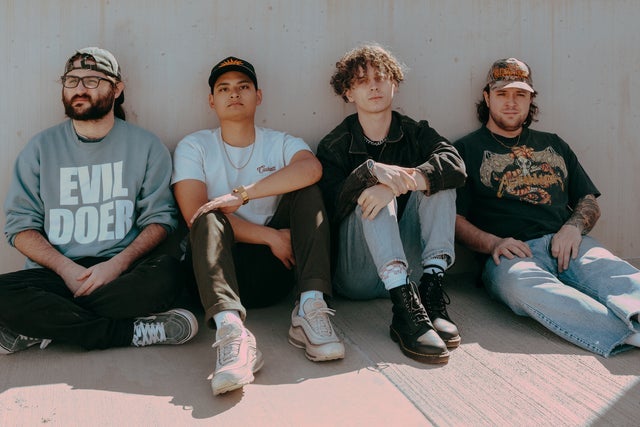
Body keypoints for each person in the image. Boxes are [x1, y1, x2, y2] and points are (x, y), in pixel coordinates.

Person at [0, 47, 198, 355]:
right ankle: (128, 332)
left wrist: (116, 265)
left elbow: (160, 220)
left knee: (170, 274)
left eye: (92, 80)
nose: (79, 88)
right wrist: (66, 270)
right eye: (71, 80)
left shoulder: (146, 146)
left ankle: (44, 325)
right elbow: (19, 228)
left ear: (117, 89)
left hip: (122, 273)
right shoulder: (40, 148)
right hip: (56, 274)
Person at [172, 56, 344, 396]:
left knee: (307, 190)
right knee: (207, 215)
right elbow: (194, 213)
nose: (234, 94)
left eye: (243, 87)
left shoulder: (280, 142)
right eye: (224, 89)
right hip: (215, 274)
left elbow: (311, 169)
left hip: (275, 271)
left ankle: (310, 308)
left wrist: (243, 195)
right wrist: (270, 236)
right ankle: (232, 334)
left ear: (258, 96)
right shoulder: (194, 146)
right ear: (212, 101)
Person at [454, 57, 640, 357]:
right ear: (487, 98)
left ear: (531, 100)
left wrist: (573, 228)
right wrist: (494, 244)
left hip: (569, 243)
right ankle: (628, 335)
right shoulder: (465, 150)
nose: (511, 102)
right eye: (502, 94)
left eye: (520, 94)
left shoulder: (554, 144)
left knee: (616, 272)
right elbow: (454, 219)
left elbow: (588, 200)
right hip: (512, 254)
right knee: (521, 288)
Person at [316, 44, 467, 364]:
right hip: (356, 272)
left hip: (411, 268)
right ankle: (403, 313)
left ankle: (430, 297)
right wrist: (371, 174)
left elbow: (455, 166)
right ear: (348, 93)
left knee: (439, 184)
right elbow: (332, 204)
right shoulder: (335, 144)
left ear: (394, 83)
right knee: (372, 193)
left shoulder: (415, 132)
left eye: (380, 77)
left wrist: (403, 183)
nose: (373, 86)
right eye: (361, 81)